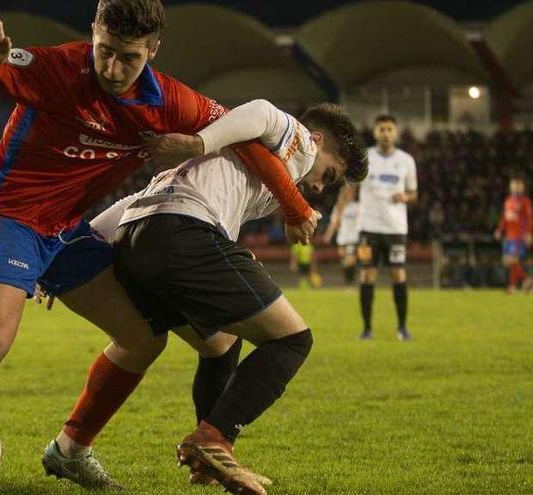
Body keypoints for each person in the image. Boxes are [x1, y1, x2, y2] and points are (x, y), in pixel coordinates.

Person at [0, 2, 318, 493]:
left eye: (128, 58)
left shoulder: (168, 100)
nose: (111, 69)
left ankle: (69, 451)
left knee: (143, 340)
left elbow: (249, 136)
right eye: (104, 51)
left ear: (152, 50)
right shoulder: (55, 68)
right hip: (6, 216)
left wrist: (294, 206)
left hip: (67, 231)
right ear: (93, 32)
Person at [39, 100, 367, 494]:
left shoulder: (250, 172)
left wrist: (68, 252)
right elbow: (262, 111)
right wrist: (200, 142)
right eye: (328, 175)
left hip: (137, 238)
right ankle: (214, 439)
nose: (319, 187)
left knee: (219, 344)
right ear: (315, 139)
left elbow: (135, 202)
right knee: (294, 339)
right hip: (182, 231)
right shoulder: (298, 142)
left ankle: (200, 452)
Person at [333, 114, 417, 341]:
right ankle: (367, 329)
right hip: (367, 229)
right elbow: (350, 189)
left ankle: (402, 328)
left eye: (390, 129)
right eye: (382, 129)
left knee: (398, 274)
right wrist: (339, 214)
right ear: (375, 132)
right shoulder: (365, 157)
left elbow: (413, 193)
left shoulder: (407, 160)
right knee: (367, 275)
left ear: (396, 133)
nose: (386, 133)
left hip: (396, 229)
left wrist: (406, 197)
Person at [494, 177, 533, 293]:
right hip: (508, 236)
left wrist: (529, 233)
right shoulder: (508, 201)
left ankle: (516, 285)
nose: (516, 188)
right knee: (509, 262)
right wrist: (499, 230)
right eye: (514, 186)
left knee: (512, 260)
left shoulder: (525, 201)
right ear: (510, 187)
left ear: (522, 188)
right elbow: (505, 218)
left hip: (519, 236)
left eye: (518, 186)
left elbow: (529, 218)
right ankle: (523, 282)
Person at [323, 186, 360, 286]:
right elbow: (333, 223)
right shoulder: (338, 208)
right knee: (345, 261)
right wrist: (328, 234)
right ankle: (349, 280)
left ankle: (350, 282)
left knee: (350, 260)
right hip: (342, 238)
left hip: (353, 238)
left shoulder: (357, 207)